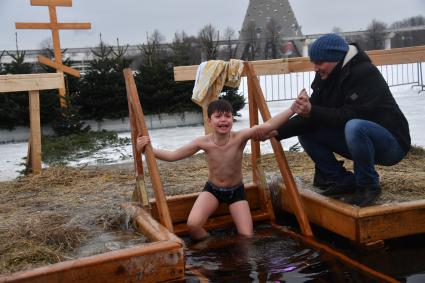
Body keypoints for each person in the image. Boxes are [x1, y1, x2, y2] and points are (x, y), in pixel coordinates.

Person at [260, 33, 411, 207]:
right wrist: (276, 131)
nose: (315, 68)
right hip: (358, 140)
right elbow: (311, 116)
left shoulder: (365, 73)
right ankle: (342, 180)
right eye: (313, 63)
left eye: (319, 62)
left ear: (336, 59)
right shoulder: (326, 75)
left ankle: (368, 185)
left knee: (355, 126)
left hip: (391, 144)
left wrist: (312, 111)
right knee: (307, 132)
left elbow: (351, 115)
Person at [137, 99, 295, 241]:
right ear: (209, 120)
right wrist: (146, 150)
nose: (223, 120)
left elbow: (268, 126)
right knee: (193, 226)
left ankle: (238, 258)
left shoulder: (240, 137)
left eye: (227, 116)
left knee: (247, 236)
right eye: (218, 116)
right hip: (212, 191)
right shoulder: (204, 142)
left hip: (236, 192)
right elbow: (173, 155)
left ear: (232, 119)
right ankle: (211, 244)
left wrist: (293, 108)